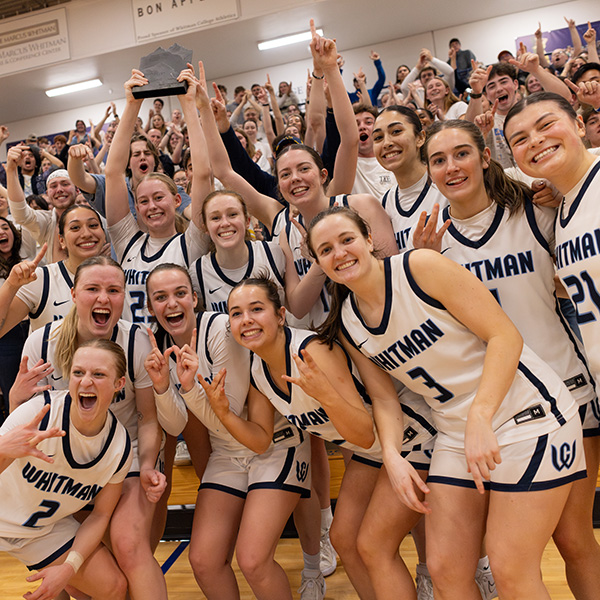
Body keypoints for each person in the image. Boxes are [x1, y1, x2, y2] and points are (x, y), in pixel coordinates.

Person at [306, 205, 584, 600]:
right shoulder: (349, 321)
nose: (340, 253)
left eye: (347, 240)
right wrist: (393, 457)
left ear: (369, 240)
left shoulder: (419, 268)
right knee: (445, 570)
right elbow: (385, 399)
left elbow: (505, 336)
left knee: (510, 568)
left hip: (527, 415)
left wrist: (481, 415)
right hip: (455, 430)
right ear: (318, 262)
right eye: (326, 250)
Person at [418, 117, 600, 600]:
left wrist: (557, 197)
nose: (452, 166)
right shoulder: (433, 248)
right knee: (495, 558)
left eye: (461, 153)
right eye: (438, 160)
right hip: (497, 411)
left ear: (484, 156)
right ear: (429, 172)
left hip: (567, 393)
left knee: (572, 538)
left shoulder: (538, 214)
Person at [206, 275, 437, 600]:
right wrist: (224, 413)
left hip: (407, 435)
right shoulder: (258, 368)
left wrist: (326, 396)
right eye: (236, 313)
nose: (246, 320)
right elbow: (260, 440)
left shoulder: (312, 352)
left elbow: (363, 430)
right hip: (371, 449)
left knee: (373, 545)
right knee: (343, 539)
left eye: (256, 309)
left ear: (281, 315)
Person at [144, 264, 315, 599]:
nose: (172, 303)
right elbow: (176, 426)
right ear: (150, 308)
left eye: (180, 293)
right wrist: (164, 388)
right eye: (160, 297)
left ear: (194, 298)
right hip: (228, 452)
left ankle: (313, 564)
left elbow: (231, 410)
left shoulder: (221, 328)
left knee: (252, 560)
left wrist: (189, 388)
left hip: (273, 445)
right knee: (203, 560)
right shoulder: (156, 346)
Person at [13, 256, 167, 599]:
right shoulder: (42, 342)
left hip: (120, 459)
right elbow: (21, 424)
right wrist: (13, 399)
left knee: (128, 546)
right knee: (87, 578)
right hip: (63, 465)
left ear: (124, 296)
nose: (103, 298)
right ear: (72, 293)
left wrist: (144, 466)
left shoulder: (136, 341)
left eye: (113, 290)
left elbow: (148, 419)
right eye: (92, 289)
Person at [0, 340, 132, 600]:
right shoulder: (39, 413)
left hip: (41, 531)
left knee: (113, 586)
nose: (85, 382)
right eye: (78, 372)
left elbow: (100, 516)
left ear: (119, 384)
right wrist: (3, 449)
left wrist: (68, 568)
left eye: (98, 374)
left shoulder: (118, 447)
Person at [102, 68, 208, 324]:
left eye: (159, 197)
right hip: (135, 354)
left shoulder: (192, 242)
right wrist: (132, 105)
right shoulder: (127, 241)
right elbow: (113, 172)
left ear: (176, 200)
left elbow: (203, 174)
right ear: (135, 208)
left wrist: (188, 104)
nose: (152, 206)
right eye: (143, 201)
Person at [0, 205, 107, 336]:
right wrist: (11, 285)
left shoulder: (118, 278)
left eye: (93, 225)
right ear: (61, 240)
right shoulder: (41, 279)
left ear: (104, 234)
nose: (86, 234)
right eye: (75, 228)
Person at [373, 106, 448, 252]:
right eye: (378, 138)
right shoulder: (385, 203)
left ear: (420, 138)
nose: (386, 143)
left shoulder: (446, 184)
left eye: (396, 131)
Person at [7, 165, 78, 264]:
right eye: (53, 186)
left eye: (65, 184)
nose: (59, 190)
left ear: (77, 190)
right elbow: (21, 214)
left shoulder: (94, 218)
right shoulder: (46, 221)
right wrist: (11, 170)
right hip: (56, 278)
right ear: (47, 194)